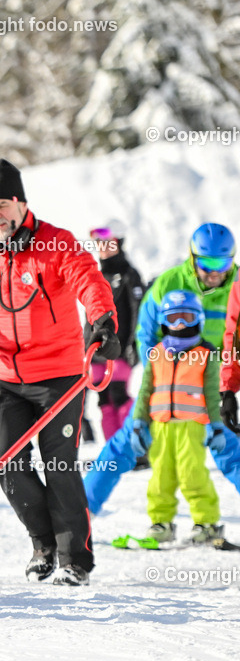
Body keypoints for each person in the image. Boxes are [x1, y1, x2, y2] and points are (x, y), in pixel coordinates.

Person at [0, 159, 119, 587]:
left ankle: (74, 558)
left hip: (59, 377)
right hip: (5, 377)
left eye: (3, 204)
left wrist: (103, 323)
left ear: (21, 202)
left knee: (59, 466)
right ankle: (43, 544)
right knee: (8, 463)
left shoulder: (57, 244)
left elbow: (90, 283)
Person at [85, 223, 240, 513]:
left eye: (223, 263)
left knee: (230, 450)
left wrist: (225, 387)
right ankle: (77, 515)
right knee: (126, 444)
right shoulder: (169, 283)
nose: (215, 272)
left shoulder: (237, 286)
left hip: (209, 387)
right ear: (193, 257)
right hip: (168, 384)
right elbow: (145, 335)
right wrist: (164, 377)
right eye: (206, 263)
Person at [131, 291, 223, 544]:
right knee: (161, 476)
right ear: (164, 321)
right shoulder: (157, 352)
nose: (179, 323)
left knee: (192, 473)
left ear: (198, 319)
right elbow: (145, 389)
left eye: (186, 317)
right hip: (160, 426)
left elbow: (213, 394)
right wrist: (139, 422)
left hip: (191, 426)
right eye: (173, 317)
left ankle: (206, 523)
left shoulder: (206, 352)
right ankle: (161, 522)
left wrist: (216, 425)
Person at [84, 223, 145, 442]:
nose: (102, 247)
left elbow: (138, 310)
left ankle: (134, 446)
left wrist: (133, 345)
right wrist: (86, 347)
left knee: (119, 395)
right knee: (104, 400)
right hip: (96, 351)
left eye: (108, 242)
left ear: (119, 243)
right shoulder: (97, 274)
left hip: (121, 349)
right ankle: (115, 449)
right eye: (99, 243)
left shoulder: (129, 274)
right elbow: (89, 316)